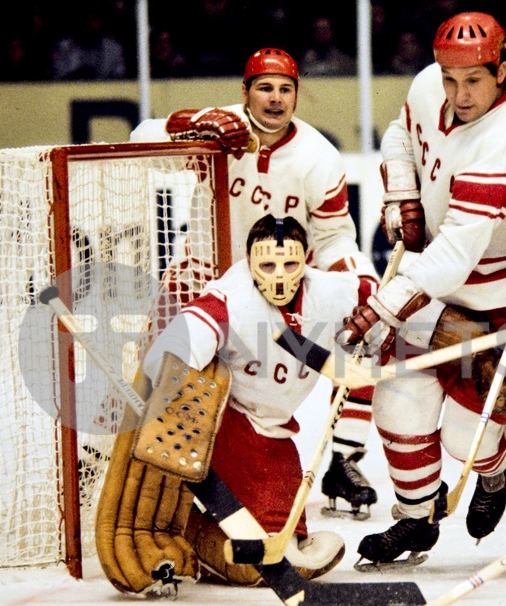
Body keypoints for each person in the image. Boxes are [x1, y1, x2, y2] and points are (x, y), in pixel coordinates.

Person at [337, 11, 506, 566]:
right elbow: (399, 133)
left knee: (466, 440)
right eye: (450, 79)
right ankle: (416, 521)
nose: (459, 94)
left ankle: (496, 466)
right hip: (440, 290)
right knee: (398, 405)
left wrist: (382, 309)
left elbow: (454, 254)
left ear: (502, 70)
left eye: (474, 80)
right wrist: (402, 194)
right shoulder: (425, 85)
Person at [130, 48, 382, 520]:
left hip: (269, 289)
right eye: (265, 88)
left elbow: (332, 234)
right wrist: (194, 122)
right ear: (244, 92)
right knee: (156, 370)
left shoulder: (317, 157)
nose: (275, 99)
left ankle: (343, 460)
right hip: (200, 272)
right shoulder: (217, 127)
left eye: (286, 89)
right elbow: (141, 138)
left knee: (362, 338)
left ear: (296, 97)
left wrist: (356, 275)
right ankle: (123, 467)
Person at [139, 214, 362, 584]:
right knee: (263, 562)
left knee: (290, 540)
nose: (278, 274)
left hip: (274, 429)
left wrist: (375, 327)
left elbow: (378, 297)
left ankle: (202, 526)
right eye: (266, 264)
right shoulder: (232, 299)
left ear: (307, 259)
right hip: (229, 421)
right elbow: (170, 350)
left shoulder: (332, 292)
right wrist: (175, 378)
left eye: (290, 263)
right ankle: (192, 531)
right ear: (247, 261)